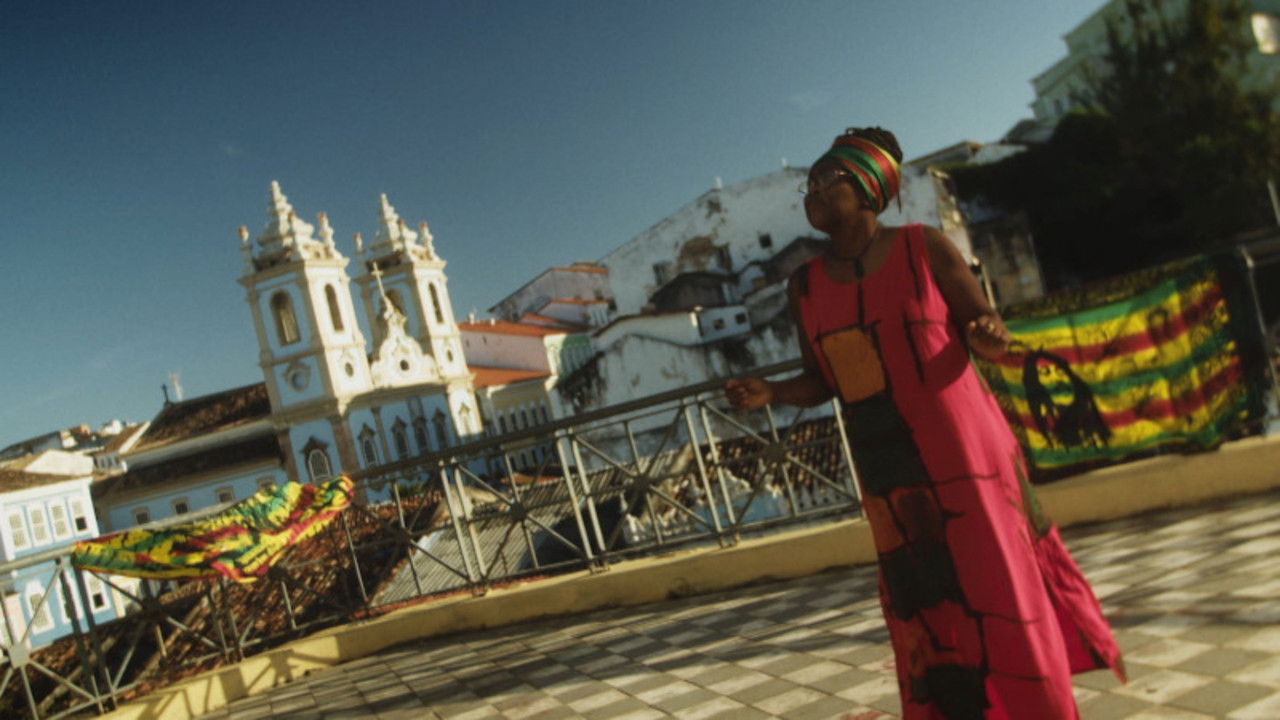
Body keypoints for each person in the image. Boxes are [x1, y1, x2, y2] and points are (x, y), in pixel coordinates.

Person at [724, 127, 1124, 720]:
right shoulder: (803, 287)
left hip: (967, 454)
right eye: (807, 186)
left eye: (826, 181)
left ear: (865, 188)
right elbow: (823, 379)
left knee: (1003, 589)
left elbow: (983, 324)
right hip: (890, 472)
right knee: (928, 606)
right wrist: (772, 392)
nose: (812, 193)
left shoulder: (924, 247)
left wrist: (990, 337)